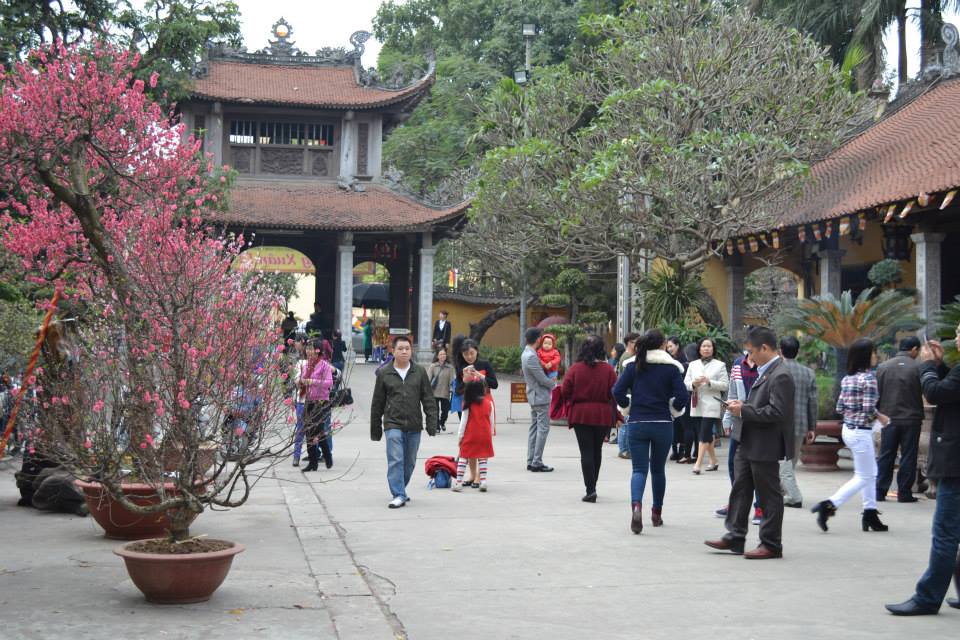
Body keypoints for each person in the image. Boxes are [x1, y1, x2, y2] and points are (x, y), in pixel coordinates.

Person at [885, 322, 960, 615]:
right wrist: (939, 366)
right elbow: (951, 390)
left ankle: (927, 598)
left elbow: (936, 393)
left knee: (945, 533)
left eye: (959, 333)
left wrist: (928, 366)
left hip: (955, 464)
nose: (956, 337)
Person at [705, 326, 795, 559]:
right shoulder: (767, 371)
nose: (750, 358)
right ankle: (735, 535)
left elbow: (777, 412)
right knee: (740, 489)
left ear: (764, 348)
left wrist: (743, 410)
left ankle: (771, 543)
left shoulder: (780, 374)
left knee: (768, 494)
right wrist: (741, 407)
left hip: (765, 443)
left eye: (752, 352)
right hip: (748, 440)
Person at [613, 329, 688, 533]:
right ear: (663, 344)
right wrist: (674, 409)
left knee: (639, 470)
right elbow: (683, 396)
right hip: (662, 423)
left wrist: (626, 406)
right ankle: (656, 513)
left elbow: (617, 391)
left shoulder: (633, 365)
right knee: (658, 470)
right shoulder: (671, 368)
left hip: (637, 422)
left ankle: (636, 507)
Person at [811, 338, 889, 533]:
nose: (876, 356)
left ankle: (870, 513)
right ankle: (829, 504)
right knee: (865, 476)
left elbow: (839, 407)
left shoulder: (847, 379)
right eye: (873, 352)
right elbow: (869, 409)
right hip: (861, 432)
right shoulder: (869, 379)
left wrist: (857, 413)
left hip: (848, 430)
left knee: (869, 474)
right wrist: (880, 417)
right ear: (866, 356)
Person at [370, 335, 438, 508]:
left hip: (414, 424)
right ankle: (399, 494)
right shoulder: (384, 373)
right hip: (392, 423)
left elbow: (428, 399)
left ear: (411, 351)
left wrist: (432, 422)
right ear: (393, 351)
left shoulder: (419, 372)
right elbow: (377, 402)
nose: (404, 352)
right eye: (400, 349)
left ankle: (400, 489)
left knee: (409, 462)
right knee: (396, 459)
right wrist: (376, 428)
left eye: (407, 348)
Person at [562, 335, 618, 503]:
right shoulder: (608, 370)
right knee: (597, 450)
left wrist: (574, 399)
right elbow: (615, 392)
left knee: (586, 451)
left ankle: (590, 489)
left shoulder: (575, 368)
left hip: (581, 413)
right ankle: (594, 485)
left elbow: (565, 390)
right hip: (602, 413)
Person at [876, 336, 924, 503]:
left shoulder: (883, 367)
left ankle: (880, 491)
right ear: (914, 349)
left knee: (886, 454)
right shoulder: (918, 367)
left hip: (888, 418)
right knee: (908, 455)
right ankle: (904, 493)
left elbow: (877, 393)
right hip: (912, 419)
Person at [717, 349, 761, 521]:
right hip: (739, 421)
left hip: (759, 421)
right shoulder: (737, 365)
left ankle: (760, 507)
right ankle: (736, 502)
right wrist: (727, 419)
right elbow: (732, 394)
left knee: (758, 467)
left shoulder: (766, 365)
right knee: (733, 464)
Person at [452, 335, 499, 481]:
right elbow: (458, 390)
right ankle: (472, 475)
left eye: (471, 353)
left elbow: (494, 384)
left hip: (485, 403)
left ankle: (480, 475)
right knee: (469, 440)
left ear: (477, 351)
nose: (469, 357)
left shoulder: (485, 364)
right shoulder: (462, 368)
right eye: (465, 354)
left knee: (483, 439)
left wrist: (480, 375)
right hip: (469, 405)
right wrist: (465, 380)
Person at [779, 336, 818, 508]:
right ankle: (782, 492)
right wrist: (812, 427)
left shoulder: (776, 369)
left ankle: (794, 496)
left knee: (785, 464)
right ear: (798, 352)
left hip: (779, 424)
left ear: (780, 351)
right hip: (800, 424)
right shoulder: (808, 373)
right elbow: (813, 402)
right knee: (790, 461)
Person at [685, 337, 728, 475]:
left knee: (703, 433)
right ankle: (714, 461)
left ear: (713, 349)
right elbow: (686, 383)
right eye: (704, 346)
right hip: (696, 403)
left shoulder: (720, 365)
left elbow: (725, 385)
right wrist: (693, 384)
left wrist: (710, 382)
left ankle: (697, 464)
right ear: (699, 349)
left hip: (711, 403)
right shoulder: (693, 364)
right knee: (705, 435)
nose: (706, 348)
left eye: (709, 346)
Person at [452, 372, 495, 492]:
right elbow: (491, 420)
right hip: (485, 435)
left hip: (470, 434)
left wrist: (460, 436)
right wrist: (491, 433)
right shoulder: (489, 403)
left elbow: (463, 422)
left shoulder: (467, 404)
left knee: (463, 456)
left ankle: (458, 482)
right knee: (483, 457)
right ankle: (483, 482)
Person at [521, 327, 555, 472]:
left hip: (534, 395)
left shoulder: (527, 353)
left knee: (534, 428)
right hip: (540, 396)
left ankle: (531, 460)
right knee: (542, 429)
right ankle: (536, 462)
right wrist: (554, 384)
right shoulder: (531, 356)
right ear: (537, 339)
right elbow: (541, 378)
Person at [300, 339, 334, 472]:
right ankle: (312, 462)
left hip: (320, 401)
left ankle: (327, 454)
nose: (308, 351)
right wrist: (301, 381)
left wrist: (312, 381)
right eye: (307, 348)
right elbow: (303, 378)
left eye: (311, 349)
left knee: (318, 431)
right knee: (308, 431)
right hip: (309, 400)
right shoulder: (307, 365)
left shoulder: (324, 366)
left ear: (317, 351)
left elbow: (329, 383)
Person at [614, 332, 641, 459]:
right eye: (637, 342)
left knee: (626, 423)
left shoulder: (629, 356)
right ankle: (624, 450)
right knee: (626, 424)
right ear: (630, 343)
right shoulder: (627, 357)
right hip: (628, 394)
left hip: (628, 394)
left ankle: (625, 449)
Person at [665, 336, 689, 462]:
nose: (669, 349)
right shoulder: (667, 359)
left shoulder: (684, 360)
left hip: (680, 396)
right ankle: (674, 450)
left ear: (677, 345)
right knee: (673, 426)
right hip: (670, 396)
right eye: (667, 347)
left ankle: (682, 450)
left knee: (682, 425)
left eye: (671, 346)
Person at [427, 349, 455, 432]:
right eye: (441, 354)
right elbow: (428, 379)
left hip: (445, 392)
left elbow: (452, 381)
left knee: (445, 411)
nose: (443, 356)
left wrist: (452, 390)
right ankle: (437, 427)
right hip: (434, 392)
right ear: (437, 356)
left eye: (444, 354)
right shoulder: (433, 366)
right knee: (436, 411)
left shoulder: (450, 367)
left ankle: (442, 422)